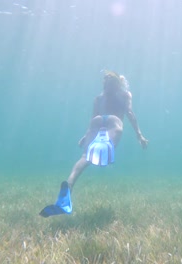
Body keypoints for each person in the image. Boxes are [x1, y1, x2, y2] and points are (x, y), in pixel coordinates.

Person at [40, 70, 148, 217]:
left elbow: (93, 117)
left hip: (97, 122)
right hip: (114, 122)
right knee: (105, 152)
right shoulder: (125, 94)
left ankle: (69, 185)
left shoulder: (98, 98)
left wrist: (86, 136)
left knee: (85, 157)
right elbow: (129, 113)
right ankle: (105, 158)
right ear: (119, 84)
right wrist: (139, 135)